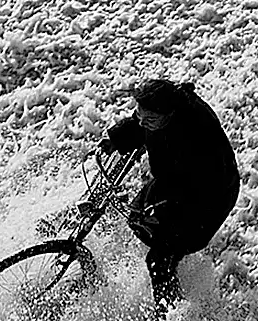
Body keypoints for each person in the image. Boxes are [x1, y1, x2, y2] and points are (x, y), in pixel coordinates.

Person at [96, 78, 239, 308]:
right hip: (173, 180)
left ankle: (170, 317)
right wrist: (116, 138)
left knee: (158, 261)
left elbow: (195, 189)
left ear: (170, 114)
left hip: (211, 198)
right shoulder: (156, 115)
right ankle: (172, 253)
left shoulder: (197, 136)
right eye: (140, 115)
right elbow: (138, 123)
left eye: (150, 120)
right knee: (137, 220)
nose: (143, 123)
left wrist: (162, 208)